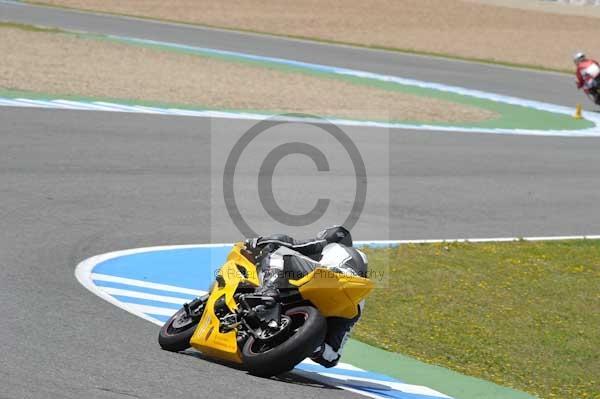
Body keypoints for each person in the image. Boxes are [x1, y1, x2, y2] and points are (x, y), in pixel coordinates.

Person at [246, 226, 368, 368]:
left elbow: (289, 243)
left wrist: (256, 242)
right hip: (353, 298)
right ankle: (317, 348)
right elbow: (331, 360)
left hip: (332, 275)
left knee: (277, 253)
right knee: (332, 352)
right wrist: (311, 344)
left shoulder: (333, 246)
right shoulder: (358, 299)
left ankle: (267, 292)